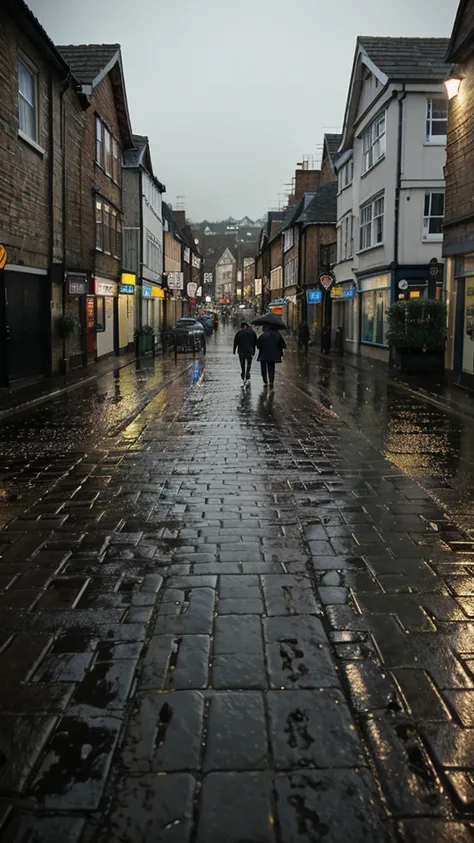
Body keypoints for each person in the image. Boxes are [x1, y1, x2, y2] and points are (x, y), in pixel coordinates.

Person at [257, 325, 286, 390]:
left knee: (263, 368)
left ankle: (265, 381)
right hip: (273, 355)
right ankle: (271, 381)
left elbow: (258, 345)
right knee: (271, 368)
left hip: (263, 355)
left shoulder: (263, 336)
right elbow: (283, 345)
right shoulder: (277, 335)